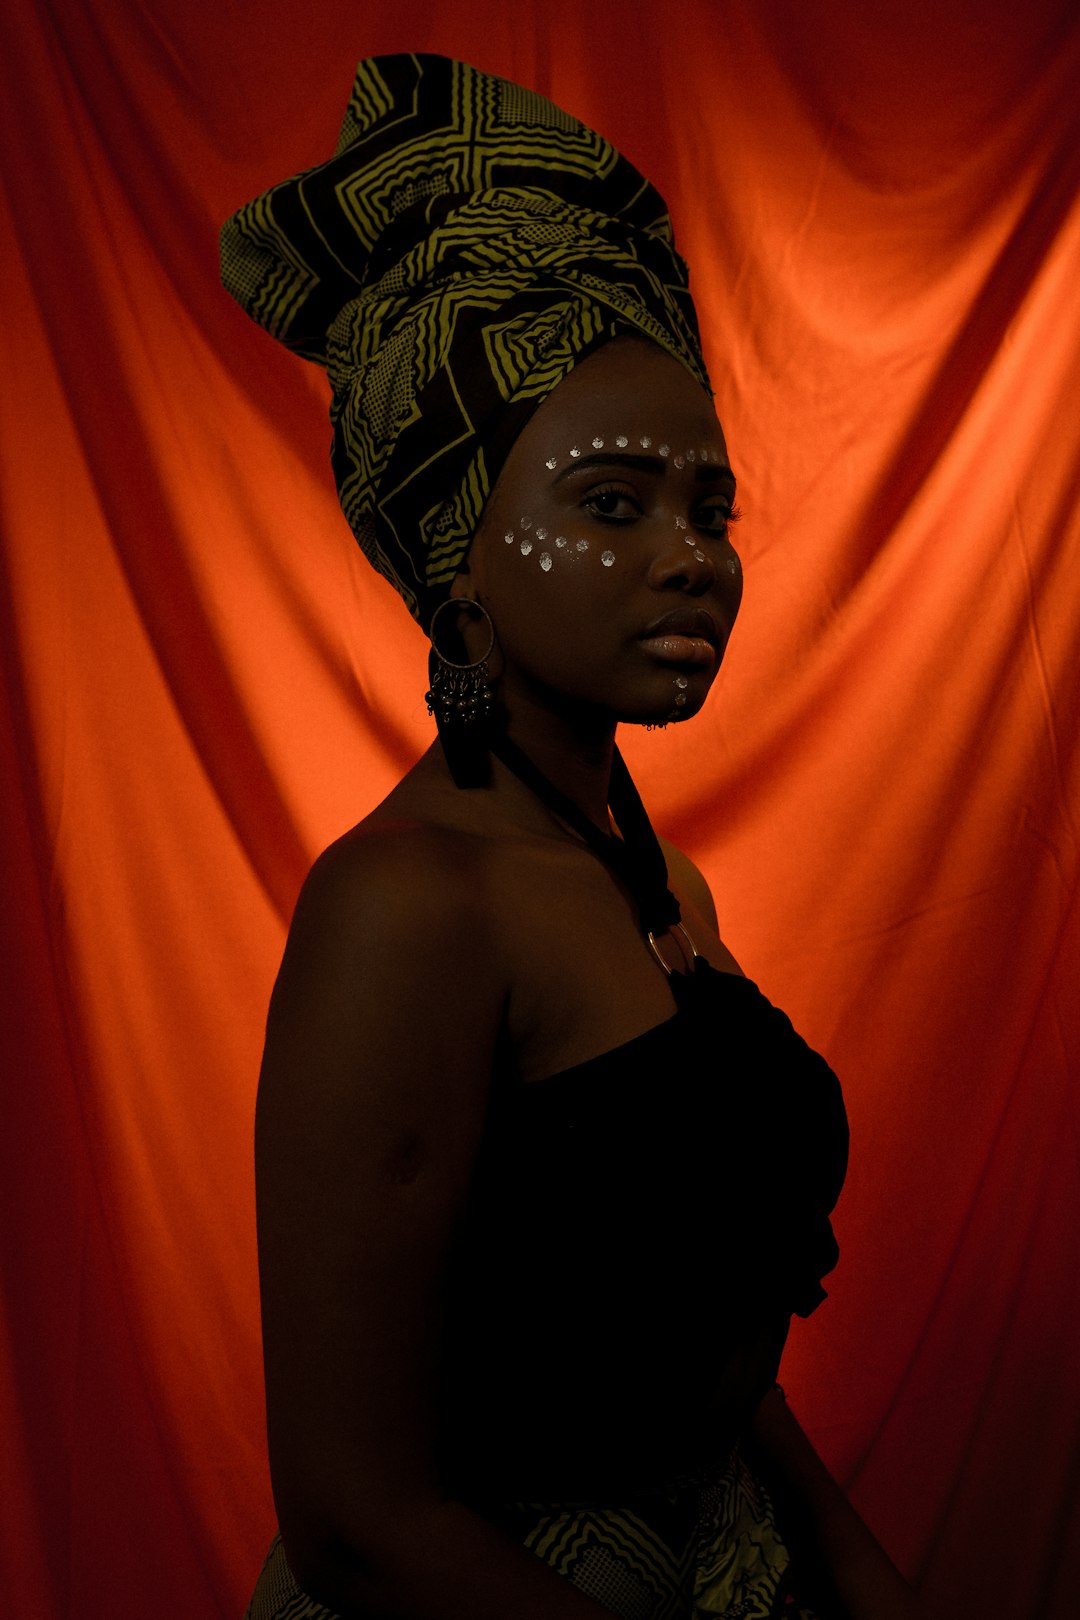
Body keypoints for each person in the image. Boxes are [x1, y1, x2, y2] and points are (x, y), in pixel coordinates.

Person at [221, 52, 921, 1620]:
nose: (694, 562)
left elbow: (684, 1304)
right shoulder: (407, 911)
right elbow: (354, 1517)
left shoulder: (646, 868)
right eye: (612, 506)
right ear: (458, 553)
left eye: (711, 509)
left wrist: (855, 1559)